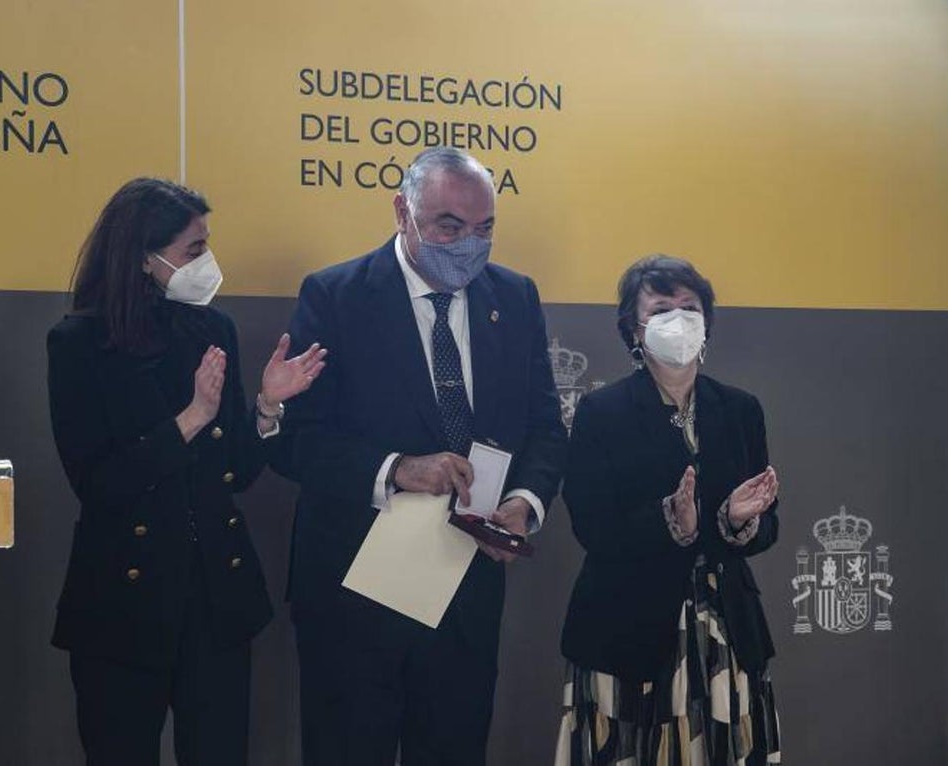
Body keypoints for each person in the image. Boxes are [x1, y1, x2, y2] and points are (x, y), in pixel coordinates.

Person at [278, 147, 567, 765]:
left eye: (485, 227)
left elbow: (545, 427)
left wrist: (523, 503)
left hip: (466, 584)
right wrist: (397, 470)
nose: (469, 243)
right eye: (449, 226)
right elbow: (298, 441)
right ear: (401, 213)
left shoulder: (514, 297)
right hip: (355, 592)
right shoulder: (335, 296)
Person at [46, 177, 325, 766]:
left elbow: (240, 473)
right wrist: (190, 418)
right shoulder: (78, 343)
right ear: (144, 260)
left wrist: (268, 406)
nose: (208, 262)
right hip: (123, 607)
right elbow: (99, 484)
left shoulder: (211, 330)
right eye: (194, 250)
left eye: (206, 245)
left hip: (215, 601)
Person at [556, 255, 781, 765]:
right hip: (626, 632)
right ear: (633, 330)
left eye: (689, 307)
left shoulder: (740, 409)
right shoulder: (602, 412)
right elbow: (593, 525)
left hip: (724, 635)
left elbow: (768, 523)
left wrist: (739, 522)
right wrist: (670, 523)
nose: (678, 320)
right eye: (660, 309)